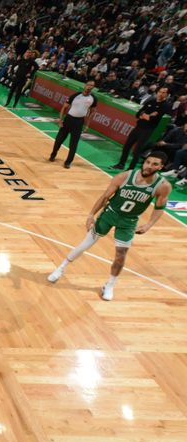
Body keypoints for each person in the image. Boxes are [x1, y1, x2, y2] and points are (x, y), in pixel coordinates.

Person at [48, 152, 171, 300]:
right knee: (84, 245)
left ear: (161, 166)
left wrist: (149, 225)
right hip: (109, 215)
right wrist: (91, 214)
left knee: (121, 255)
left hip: (129, 222)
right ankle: (61, 268)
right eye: (148, 162)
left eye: (155, 164)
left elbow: (159, 208)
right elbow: (105, 196)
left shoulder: (162, 186)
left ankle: (110, 284)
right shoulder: (125, 177)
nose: (149, 166)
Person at [111, 87, 170, 171]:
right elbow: (138, 114)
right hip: (138, 127)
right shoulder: (151, 101)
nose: (161, 93)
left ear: (166, 95)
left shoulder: (165, 105)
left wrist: (146, 115)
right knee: (127, 146)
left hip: (147, 130)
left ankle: (130, 169)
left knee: (137, 151)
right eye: (160, 91)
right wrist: (148, 115)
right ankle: (121, 164)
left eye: (164, 92)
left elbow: (155, 119)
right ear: (157, 92)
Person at [49, 80, 97, 169]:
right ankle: (53, 154)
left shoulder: (93, 98)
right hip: (68, 119)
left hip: (79, 122)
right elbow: (64, 107)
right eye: (88, 85)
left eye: (92, 86)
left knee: (73, 144)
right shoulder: (75, 95)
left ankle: (68, 162)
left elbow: (92, 112)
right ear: (85, 85)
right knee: (59, 140)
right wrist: (60, 120)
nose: (90, 87)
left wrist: (87, 124)